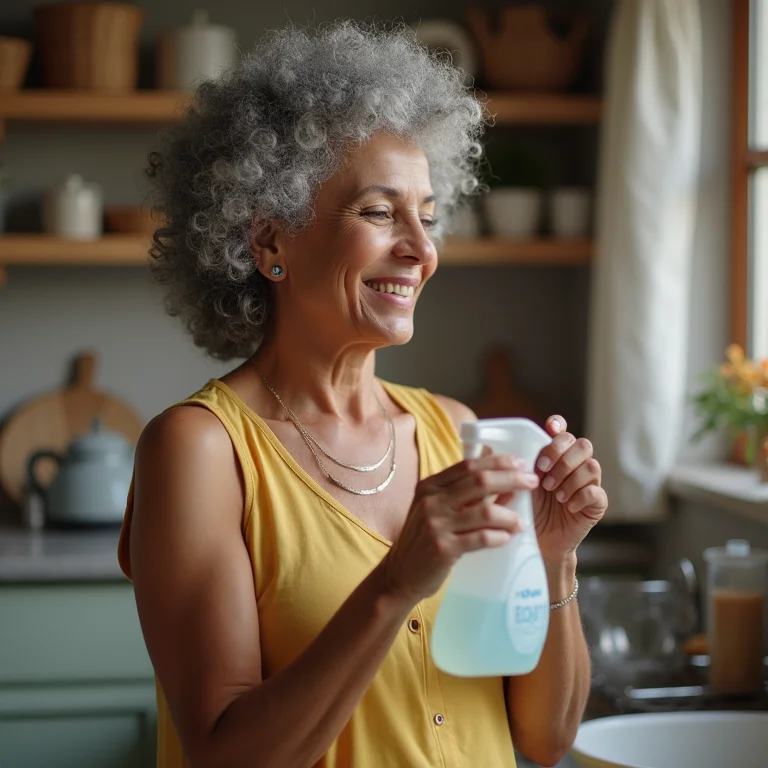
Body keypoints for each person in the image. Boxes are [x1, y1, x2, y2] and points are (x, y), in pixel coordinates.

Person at [118, 21, 608, 768]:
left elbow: (547, 738)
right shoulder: (200, 450)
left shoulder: (456, 430)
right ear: (269, 242)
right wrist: (396, 583)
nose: (421, 248)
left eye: (428, 217)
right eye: (380, 213)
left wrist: (554, 556)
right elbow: (224, 754)